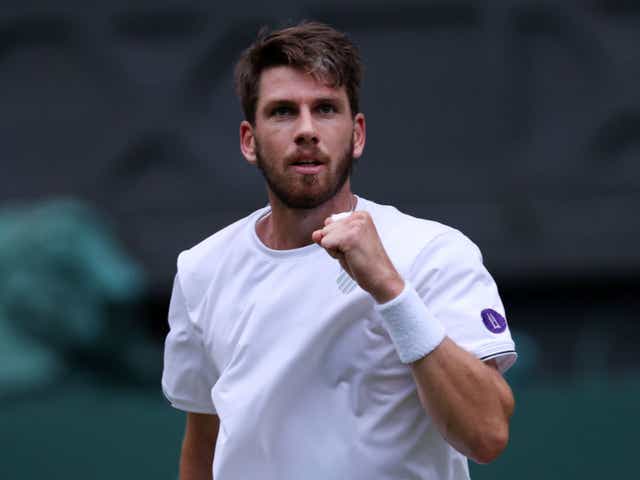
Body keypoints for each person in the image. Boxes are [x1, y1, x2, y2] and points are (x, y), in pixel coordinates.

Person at [162, 21, 516, 480]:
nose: (307, 130)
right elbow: (203, 448)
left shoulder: (433, 252)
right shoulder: (200, 270)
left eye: (326, 109)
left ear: (357, 134)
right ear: (249, 140)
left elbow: (486, 435)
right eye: (284, 112)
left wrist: (390, 289)